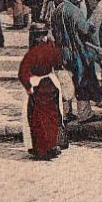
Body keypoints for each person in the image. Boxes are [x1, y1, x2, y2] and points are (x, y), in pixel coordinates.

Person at [17, 23, 66, 159]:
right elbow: (59, 61)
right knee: (53, 117)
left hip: (36, 85)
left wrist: (28, 87)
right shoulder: (52, 49)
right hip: (51, 84)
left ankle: (39, 149)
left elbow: (23, 73)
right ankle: (52, 146)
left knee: (36, 119)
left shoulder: (31, 54)